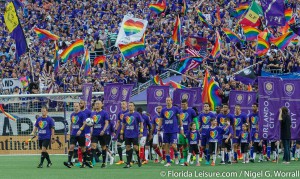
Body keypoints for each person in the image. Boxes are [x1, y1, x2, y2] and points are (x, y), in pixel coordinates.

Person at [64, 102, 92, 168]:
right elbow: (72, 123)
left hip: (81, 134)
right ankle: (69, 162)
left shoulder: (82, 114)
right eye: (74, 106)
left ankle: (84, 163)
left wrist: (80, 130)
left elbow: (85, 123)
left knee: (83, 149)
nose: (75, 107)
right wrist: (70, 132)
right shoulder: (72, 115)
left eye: (76, 106)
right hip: (74, 134)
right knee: (71, 147)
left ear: (79, 106)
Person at [157, 97, 183, 166]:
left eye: (169, 100)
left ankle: (176, 156)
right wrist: (159, 128)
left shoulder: (175, 109)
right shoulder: (163, 110)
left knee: (174, 146)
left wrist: (181, 127)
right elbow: (161, 120)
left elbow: (179, 119)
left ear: (171, 101)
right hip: (165, 130)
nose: (167, 101)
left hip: (174, 130)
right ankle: (168, 162)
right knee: (166, 146)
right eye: (166, 100)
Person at [120, 102, 144, 168]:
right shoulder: (125, 115)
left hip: (135, 134)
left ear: (134, 107)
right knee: (128, 147)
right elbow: (123, 125)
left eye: (131, 106)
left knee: (136, 148)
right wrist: (121, 133)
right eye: (129, 105)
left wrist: (141, 132)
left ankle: (139, 160)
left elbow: (141, 122)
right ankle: (128, 163)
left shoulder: (137, 114)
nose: (130, 107)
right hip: (127, 134)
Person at [90, 100, 112, 168]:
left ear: (101, 105)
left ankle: (104, 163)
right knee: (93, 146)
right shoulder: (92, 113)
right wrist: (91, 131)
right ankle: (92, 161)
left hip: (102, 133)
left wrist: (103, 130)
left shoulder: (104, 113)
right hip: (95, 133)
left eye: (98, 104)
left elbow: (106, 123)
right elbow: (91, 124)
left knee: (103, 147)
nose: (97, 105)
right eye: (96, 104)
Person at [179, 99, 197, 164]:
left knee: (189, 144)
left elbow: (195, 120)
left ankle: (191, 157)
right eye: (182, 104)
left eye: (184, 104)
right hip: (181, 130)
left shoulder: (191, 111)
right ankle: (185, 158)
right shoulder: (179, 111)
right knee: (183, 145)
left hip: (189, 131)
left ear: (187, 104)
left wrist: (196, 129)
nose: (183, 106)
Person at [114, 101, 129, 165]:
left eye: (123, 104)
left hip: (128, 131)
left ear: (126, 105)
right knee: (118, 144)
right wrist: (116, 129)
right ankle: (121, 160)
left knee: (129, 146)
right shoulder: (119, 113)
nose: (122, 105)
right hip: (121, 132)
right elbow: (118, 122)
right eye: (121, 104)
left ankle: (131, 160)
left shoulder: (129, 112)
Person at [79, 100, 93, 166]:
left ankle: (89, 160)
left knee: (88, 147)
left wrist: (90, 125)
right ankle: (82, 161)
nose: (80, 104)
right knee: (81, 147)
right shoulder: (78, 112)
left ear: (84, 104)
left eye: (81, 103)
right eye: (80, 103)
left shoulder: (88, 112)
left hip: (87, 132)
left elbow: (92, 121)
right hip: (80, 133)